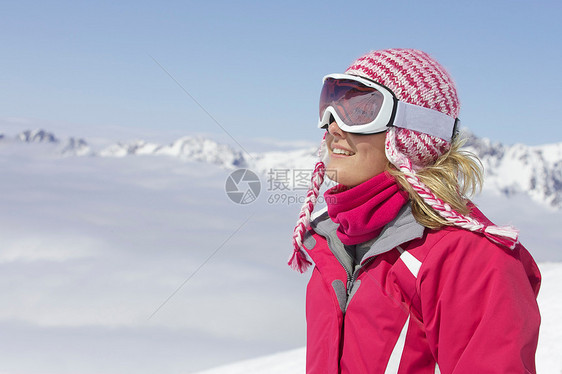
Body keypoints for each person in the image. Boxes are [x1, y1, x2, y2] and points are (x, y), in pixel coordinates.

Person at [289, 48, 541, 373]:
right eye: (331, 105)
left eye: (361, 110)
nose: (333, 127)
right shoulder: (333, 240)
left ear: (411, 133)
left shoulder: (469, 259)